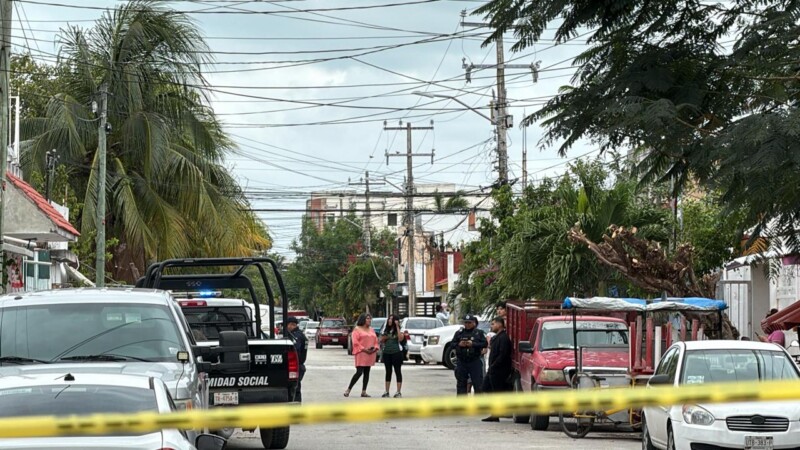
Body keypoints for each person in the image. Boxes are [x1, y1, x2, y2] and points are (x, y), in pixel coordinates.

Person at [482, 316, 513, 422]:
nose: (492, 326)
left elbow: (503, 354)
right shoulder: (497, 337)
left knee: (496, 391)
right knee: (486, 388)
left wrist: (494, 365)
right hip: (493, 369)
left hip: (499, 370)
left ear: (500, 324)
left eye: (493, 324)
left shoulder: (503, 338)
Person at [345, 313, 379, 397]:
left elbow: (375, 340)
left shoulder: (371, 329)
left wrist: (374, 348)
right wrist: (364, 349)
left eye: (370, 319)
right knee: (359, 372)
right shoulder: (357, 329)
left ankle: (364, 391)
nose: (369, 320)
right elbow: (355, 342)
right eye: (367, 318)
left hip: (370, 353)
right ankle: (348, 389)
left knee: (367, 372)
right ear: (363, 319)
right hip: (361, 353)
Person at [453, 315, 487, 395]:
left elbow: (484, 343)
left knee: (478, 384)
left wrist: (473, 344)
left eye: (469, 323)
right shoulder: (459, 333)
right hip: (462, 361)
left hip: (474, 361)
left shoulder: (479, 333)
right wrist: (459, 344)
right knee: (461, 384)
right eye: (466, 322)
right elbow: (452, 344)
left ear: (474, 323)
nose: (467, 324)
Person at [380, 314, 406, 398]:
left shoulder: (400, 329)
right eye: (389, 319)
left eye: (392, 319)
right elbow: (382, 339)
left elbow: (400, 338)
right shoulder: (386, 328)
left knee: (397, 371)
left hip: (396, 352)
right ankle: (386, 391)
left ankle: (398, 392)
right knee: (388, 371)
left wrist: (397, 326)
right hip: (387, 352)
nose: (390, 320)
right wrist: (386, 337)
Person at [285, 317, 308, 402]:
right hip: (299, 366)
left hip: (297, 366)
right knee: (296, 388)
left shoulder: (296, 336)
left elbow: (294, 350)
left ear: (291, 325)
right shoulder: (300, 334)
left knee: (294, 390)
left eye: (287, 325)